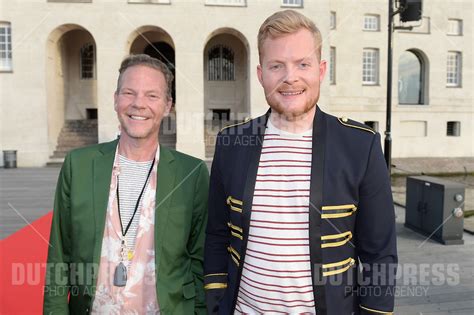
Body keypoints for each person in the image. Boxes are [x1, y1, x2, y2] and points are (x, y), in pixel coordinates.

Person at [204, 10, 397, 315]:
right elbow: (216, 234)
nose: (289, 77)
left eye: (302, 64)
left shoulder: (360, 145)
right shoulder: (231, 143)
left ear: (320, 70)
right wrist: (216, 300)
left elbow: (379, 254)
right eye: (276, 66)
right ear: (260, 74)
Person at [44, 54, 208, 314]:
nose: (138, 104)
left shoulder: (193, 173)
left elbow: (200, 261)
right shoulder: (79, 165)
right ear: (115, 99)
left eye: (152, 96)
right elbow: (59, 257)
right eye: (129, 93)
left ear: (168, 106)